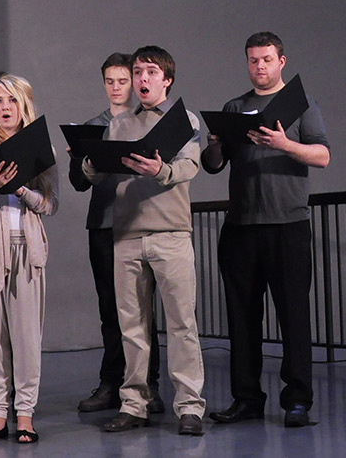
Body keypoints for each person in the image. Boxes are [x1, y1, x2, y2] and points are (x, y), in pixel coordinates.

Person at [201, 31, 330, 428]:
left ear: (281, 61)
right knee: (242, 318)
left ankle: (297, 402)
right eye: (253, 60)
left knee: (293, 317)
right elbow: (212, 165)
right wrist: (217, 143)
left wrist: (283, 143)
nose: (260, 66)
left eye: (267, 59)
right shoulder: (235, 106)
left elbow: (322, 156)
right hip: (241, 226)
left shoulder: (301, 104)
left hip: (288, 225)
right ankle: (247, 399)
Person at [83, 46, 206, 436]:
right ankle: (133, 403)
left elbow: (190, 165)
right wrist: (89, 162)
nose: (142, 79)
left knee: (182, 324)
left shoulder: (182, 118)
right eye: (138, 72)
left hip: (170, 234)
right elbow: (98, 174)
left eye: (150, 72)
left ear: (166, 79)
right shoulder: (118, 124)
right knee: (131, 326)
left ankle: (189, 406)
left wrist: (161, 170)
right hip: (127, 237)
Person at [0, 74, 59, 444]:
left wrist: (20, 189)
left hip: (27, 249)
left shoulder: (39, 147)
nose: (5, 108)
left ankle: (25, 414)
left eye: (12, 101)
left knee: (25, 338)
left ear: (24, 106)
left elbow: (51, 205)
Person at [68, 53, 163, 414]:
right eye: (110, 81)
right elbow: (79, 182)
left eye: (123, 80)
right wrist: (82, 155)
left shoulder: (148, 122)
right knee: (110, 309)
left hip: (140, 223)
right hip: (104, 225)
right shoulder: (95, 126)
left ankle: (148, 385)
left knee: (142, 310)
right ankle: (111, 382)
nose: (117, 87)